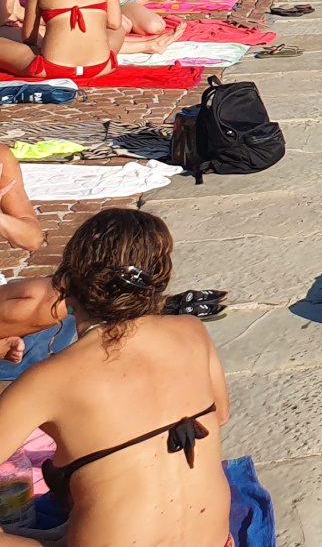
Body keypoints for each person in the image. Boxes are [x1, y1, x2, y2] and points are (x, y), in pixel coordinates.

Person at [0, 209, 233, 547]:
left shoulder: (48, 380)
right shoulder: (192, 331)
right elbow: (221, 415)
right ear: (158, 282)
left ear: (67, 282)